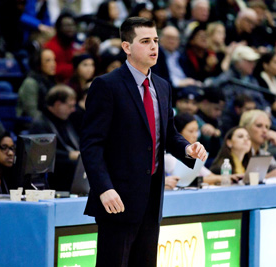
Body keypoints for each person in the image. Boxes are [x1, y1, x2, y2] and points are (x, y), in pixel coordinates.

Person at [79, 17, 207, 266]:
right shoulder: (106, 86)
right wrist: (104, 188)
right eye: (145, 41)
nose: (154, 47)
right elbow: (91, 144)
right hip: (117, 198)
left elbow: (168, 135)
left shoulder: (162, 85)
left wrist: (187, 149)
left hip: (151, 199)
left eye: (156, 41)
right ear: (126, 46)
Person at [29, 85, 79, 191]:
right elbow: (43, 153)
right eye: (70, 106)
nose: (73, 110)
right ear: (57, 104)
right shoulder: (40, 123)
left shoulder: (66, 121)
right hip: (53, 171)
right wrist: (69, 155)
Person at [165, 113, 231, 188]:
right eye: (191, 131)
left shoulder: (194, 155)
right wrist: (223, 178)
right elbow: (185, 180)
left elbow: (209, 175)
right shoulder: (168, 158)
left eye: (196, 131)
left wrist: (231, 177)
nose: (195, 135)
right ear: (178, 134)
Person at [239, 109, 276, 178]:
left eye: (267, 127)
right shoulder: (238, 151)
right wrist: (267, 176)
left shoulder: (263, 154)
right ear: (245, 128)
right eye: (259, 126)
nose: (265, 131)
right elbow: (237, 179)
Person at [17, 48, 56, 120]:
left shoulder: (51, 81)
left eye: (54, 60)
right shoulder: (30, 83)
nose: (53, 64)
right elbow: (31, 112)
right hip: (33, 125)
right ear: (38, 63)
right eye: (48, 60)